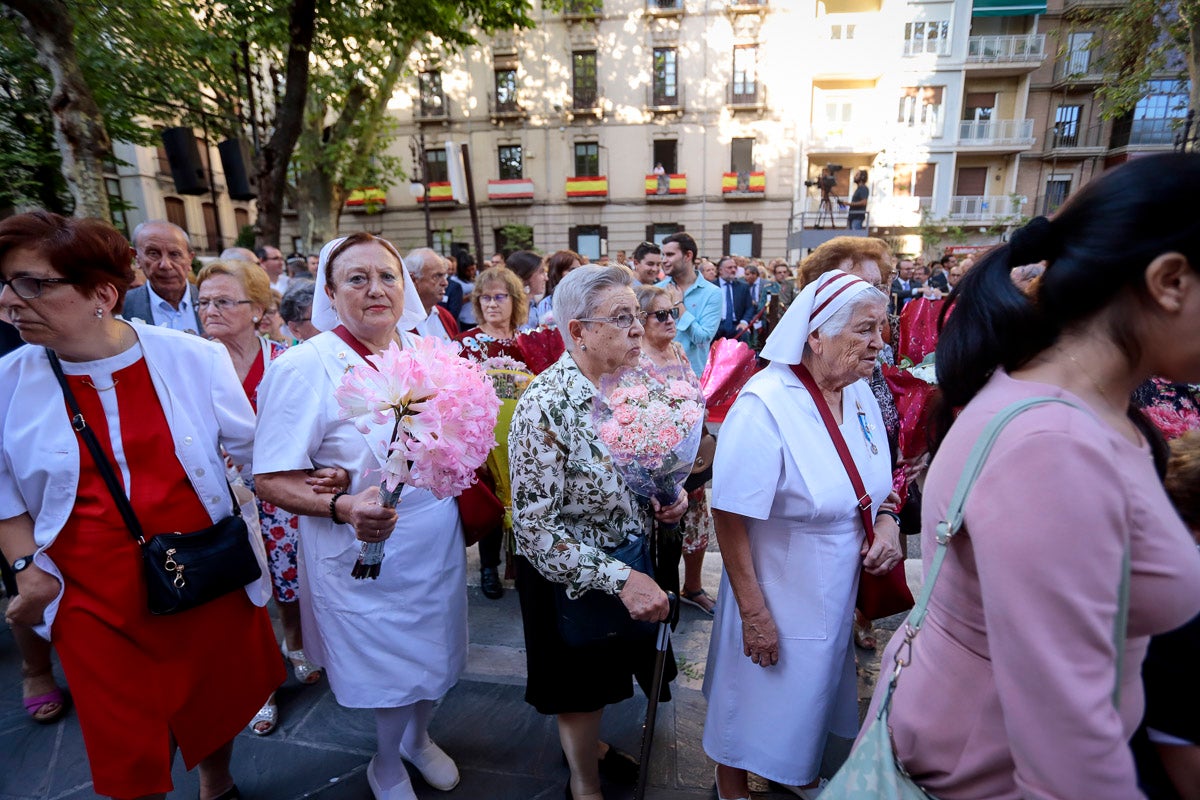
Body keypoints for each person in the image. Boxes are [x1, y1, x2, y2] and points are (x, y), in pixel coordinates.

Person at [868, 152, 1200, 799]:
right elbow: (1065, 755)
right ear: (1170, 281)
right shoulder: (1055, 447)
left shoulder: (1068, 410)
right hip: (989, 772)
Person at [0, 211, 284, 800]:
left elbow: (257, 451)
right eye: (5, 284)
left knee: (216, 695)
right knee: (123, 740)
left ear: (102, 293)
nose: (9, 301)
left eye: (32, 283)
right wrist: (26, 566)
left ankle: (217, 781)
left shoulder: (192, 359)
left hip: (204, 570)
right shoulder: (8, 380)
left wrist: (325, 489)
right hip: (90, 595)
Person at [253, 233, 467, 800]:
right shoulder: (303, 367)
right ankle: (386, 763)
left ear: (405, 288)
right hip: (356, 545)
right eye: (356, 278)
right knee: (385, 667)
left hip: (432, 536)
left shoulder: (429, 353)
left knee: (436, 650)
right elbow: (269, 477)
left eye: (387, 276)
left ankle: (418, 740)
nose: (376, 289)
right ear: (329, 292)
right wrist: (340, 503)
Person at [703, 270, 902, 800]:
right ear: (815, 335)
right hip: (774, 582)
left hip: (834, 582)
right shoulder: (765, 403)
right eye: (864, 330)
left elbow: (877, 482)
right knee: (754, 689)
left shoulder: (858, 394)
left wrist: (887, 522)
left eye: (882, 328)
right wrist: (753, 611)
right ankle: (732, 784)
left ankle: (795, 773)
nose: (879, 343)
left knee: (810, 692)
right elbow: (729, 513)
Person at [509, 265, 688, 800]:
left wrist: (668, 495)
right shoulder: (544, 406)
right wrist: (618, 579)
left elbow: (650, 465)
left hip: (633, 556)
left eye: (638, 315)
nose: (639, 329)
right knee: (581, 693)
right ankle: (584, 784)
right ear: (578, 332)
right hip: (571, 576)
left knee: (611, 676)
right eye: (622, 318)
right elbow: (535, 530)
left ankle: (592, 750)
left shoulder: (634, 384)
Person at [196, 259, 329, 736]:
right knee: (240, 592)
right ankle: (258, 685)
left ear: (256, 309)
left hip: (279, 493)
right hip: (216, 500)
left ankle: (295, 642)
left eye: (224, 301)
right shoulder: (188, 360)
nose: (211, 311)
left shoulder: (286, 358)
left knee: (288, 578)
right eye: (204, 302)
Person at [636, 285, 716, 615]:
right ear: (640, 320)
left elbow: (694, 392)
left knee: (697, 523)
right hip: (657, 467)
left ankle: (692, 587)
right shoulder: (635, 359)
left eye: (674, 312)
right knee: (661, 537)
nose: (671, 320)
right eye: (661, 315)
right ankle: (657, 596)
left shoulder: (679, 350)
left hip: (691, 459)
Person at [456, 266, 529, 599]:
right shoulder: (465, 344)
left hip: (526, 441)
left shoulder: (529, 342)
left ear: (514, 300)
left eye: (499, 296)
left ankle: (525, 565)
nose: (491, 304)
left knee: (527, 502)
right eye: (484, 297)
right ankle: (488, 568)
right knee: (492, 503)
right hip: (483, 441)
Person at [656, 233, 720, 377]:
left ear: (688, 255)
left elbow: (702, 338)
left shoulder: (712, 293)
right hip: (660, 374)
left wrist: (679, 305)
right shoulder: (658, 289)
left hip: (694, 375)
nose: (664, 261)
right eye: (663, 255)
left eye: (670, 254)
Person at [124, 220, 204, 334]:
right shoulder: (121, 307)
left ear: (190, 259)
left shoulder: (213, 302)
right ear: (136, 257)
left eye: (174, 254)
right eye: (153, 253)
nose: (165, 265)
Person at [404, 248, 459, 341]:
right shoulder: (395, 322)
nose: (445, 283)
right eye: (437, 276)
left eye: (445, 276)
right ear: (413, 280)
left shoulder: (446, 317)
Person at [533, 249, 583, 327]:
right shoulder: (547, 304)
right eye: (571, 270)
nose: (577, 273)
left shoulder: (586, 299)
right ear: (558, 273)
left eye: (579, 269)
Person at [713, 256, 754, 340]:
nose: (733, 270)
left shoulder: (743, 287)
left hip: (736, 324)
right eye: (729, 267)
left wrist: (744, 322)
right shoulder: (711, 286)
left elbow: (749, 308)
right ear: (720, 270)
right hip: (716, 324)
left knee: (744, 333)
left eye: (735, 267)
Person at [506, 250, 548, 330]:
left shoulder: (534, 307)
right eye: (541, 272)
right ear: (525, 276)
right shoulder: (507, 311)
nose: (546, 278)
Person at [450, 250, 478, 329]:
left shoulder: (474, 278)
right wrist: (471, 296)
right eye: (468, 271)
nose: (471, 272)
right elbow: (455, 302)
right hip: (464, 321)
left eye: (473, 269)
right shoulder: (454, 282)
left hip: (476, 319)